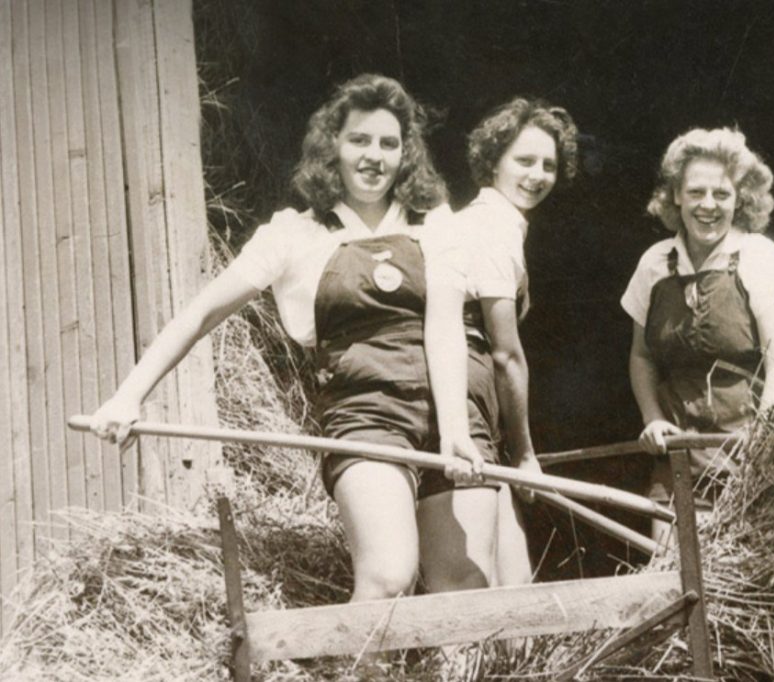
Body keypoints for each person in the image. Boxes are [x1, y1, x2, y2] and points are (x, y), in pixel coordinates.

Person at [88, 74, 501, 603]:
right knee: (388, 577)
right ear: (333, 147)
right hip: (366, 415)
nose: (374, 156)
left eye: (389, 143)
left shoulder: (436, 224)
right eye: (359, 141)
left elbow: (443, 323)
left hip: (452, 409)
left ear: (407, 154)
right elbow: (199, 314)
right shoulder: (292, 234)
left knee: (464, 585)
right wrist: (129, 394)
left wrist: (453, 433)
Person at [620, 127, 774, 544]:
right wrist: (652, 418)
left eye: (722, 194)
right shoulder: (655, 264)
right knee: (672, 573)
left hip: (758, 447)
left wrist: (761, 435)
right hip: (681, 449)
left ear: (742, 199)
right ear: (676, 196)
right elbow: (642, 356)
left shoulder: (758, 255)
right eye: (696, 192)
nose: (708, 205)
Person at [425, 98, 578, 586]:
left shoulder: (499, 223)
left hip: (478, 400)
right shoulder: (490, 226)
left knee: (516, 583)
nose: (537, 175)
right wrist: (526, 454)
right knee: (470, 577)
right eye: (524, 160)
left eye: (549, 165)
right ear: (492, 161)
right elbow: (506, 353)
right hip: (464, 389)